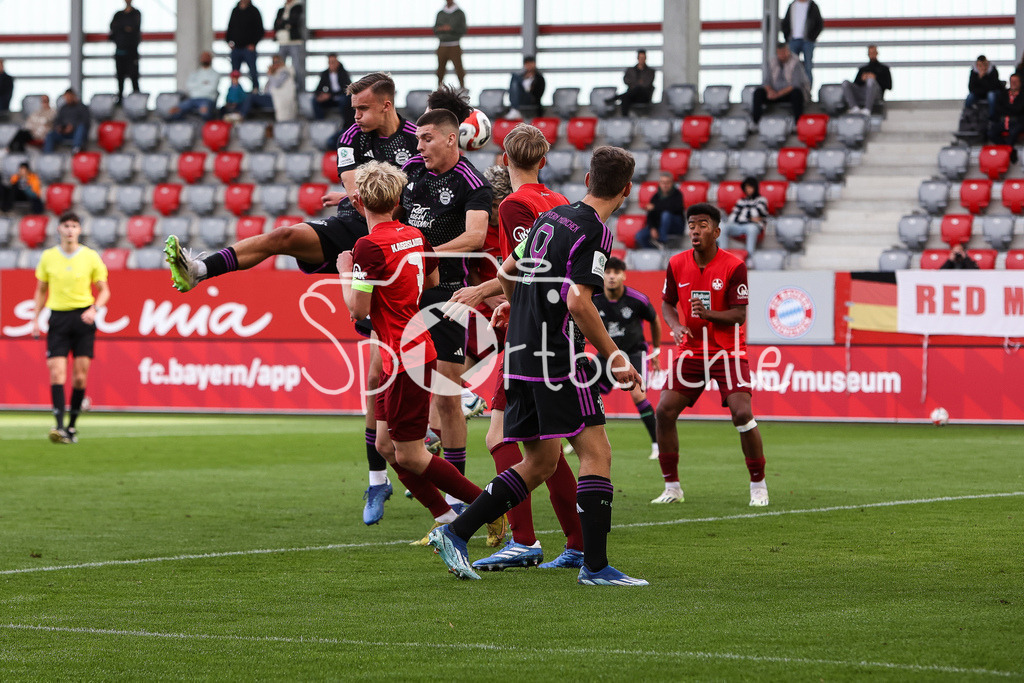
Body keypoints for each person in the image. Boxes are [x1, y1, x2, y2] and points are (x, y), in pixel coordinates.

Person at [165, 73, 421, 528]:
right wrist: (351, 197)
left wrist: (357, 198)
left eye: (362, 109)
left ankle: (421, 470)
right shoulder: (351, 138)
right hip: (357, 231)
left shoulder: (417, 139)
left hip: (401, 243)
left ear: (385, 105)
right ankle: (201, 269)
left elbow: (403, 194)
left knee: (379, 377)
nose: (355, 117)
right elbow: (360, 194)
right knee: (284, 234)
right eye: (354, 109)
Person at [427, 145, 648, 586]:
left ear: (587, 180)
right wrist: (616, 356)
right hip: (557, 358)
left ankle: (455, 532)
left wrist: (514, 306)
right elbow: (577, 301)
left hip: (520, 356)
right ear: (626, 190)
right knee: (596, 453)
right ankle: (596, 566)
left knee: (541, 462)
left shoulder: (552, 217)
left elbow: (509, 271)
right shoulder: (596, 234)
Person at [337, 160, 506, 546]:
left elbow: (358, 311)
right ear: (398, 200)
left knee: (410, 455)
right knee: (385, 446)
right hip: (410, 345)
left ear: (359, 201)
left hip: (402, 356)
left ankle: (489, 508)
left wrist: (346, 271)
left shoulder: (366, 246)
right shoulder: (413, 235)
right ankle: (445, 516)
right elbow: (430, 279)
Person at [444, 123, 586, 571]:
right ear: (544, 161)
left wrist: (487, 292)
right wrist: (508, 297)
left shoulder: (511, 204)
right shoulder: (561, 201)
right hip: (555, 326)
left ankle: (524, 540)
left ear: (505, 160)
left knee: (504, 438)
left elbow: (525, 262)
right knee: (546, 448)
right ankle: (576, 543)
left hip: (534, 333)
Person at [400, 108, 493, 525]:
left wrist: (425, 256)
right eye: (417, 140)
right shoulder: (410, 171)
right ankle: (407, 459)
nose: (418, 147)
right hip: (403, 292)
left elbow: (475, 237)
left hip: (446, 296)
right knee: (391, 382)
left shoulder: (473, 183)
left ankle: (456, 497)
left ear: (452, 139)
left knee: (448, 397)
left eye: (426, 139)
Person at [652, 203, 769, 508]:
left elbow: (739, 315)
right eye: (692, 224)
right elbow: (667, 303)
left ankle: (758, 484)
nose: (695, 230)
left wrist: (708, 314)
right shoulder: (676, 263)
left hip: (726, 352)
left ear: (716, 231)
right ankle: (672, 487)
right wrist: (675, 325)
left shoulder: (734, 266)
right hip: (691, 351)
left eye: (703, 225)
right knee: (663, 412)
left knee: (742, 414)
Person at [30, 212, 110, 445]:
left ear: (79, 230)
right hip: (58, 318)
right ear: (59, 229)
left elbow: (105, 290)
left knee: (79, 378)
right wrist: (35, 319)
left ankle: (72, 426)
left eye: (74, 225)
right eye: (66, 225)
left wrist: (95, 308)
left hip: (83, 318)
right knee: (56, 372)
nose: (70, 229)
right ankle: (58, 425)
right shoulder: (48, 257)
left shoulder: (90, 257)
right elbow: (41, 290)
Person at [591, 257, 662, 460]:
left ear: (624, 275)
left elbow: (655, 320)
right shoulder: (594, 299)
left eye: (616, 272)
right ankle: (583, 438)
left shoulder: (637, 299)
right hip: (608, 353)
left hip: (633, 353)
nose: (611, 276)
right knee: (584, 391)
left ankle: (657, 444)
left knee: (638, 395)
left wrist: (656, 350)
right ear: (602, 275)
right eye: (608, 272)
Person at [752, 43, 809, 124]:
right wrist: (770, 91)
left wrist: (778, 94)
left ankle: (798, 123)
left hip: (788, 94)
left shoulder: (796, 63)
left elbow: (795, 84)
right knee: (758, 92)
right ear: (777, 53)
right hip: (774, 93)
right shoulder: (772, 62)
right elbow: (766, 81)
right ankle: (756, 122)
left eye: (784, 52)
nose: (783, 55)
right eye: (780, 53)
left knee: (797, 93)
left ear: (788, 51)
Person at [717, 176, 768, 255]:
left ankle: (750, 256)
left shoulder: (762, 200)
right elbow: (733, 216)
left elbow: (756, 213)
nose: (748, 190)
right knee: (721, 226)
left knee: (752, 229)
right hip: (739, 226)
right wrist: (750, 217)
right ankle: (722, 255)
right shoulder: (741, 201)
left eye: (750, 187)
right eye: (746, 188)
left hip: (753, 226)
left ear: (755, 187)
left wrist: (742, 215)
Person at [237, 54, 296, 121]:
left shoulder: (284, 72)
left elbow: (277, 84)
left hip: (276, 100)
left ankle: (241, 116)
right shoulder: (275, 74)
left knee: (252, 97)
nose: (275, 64)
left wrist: (270, 74)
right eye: (274, 62)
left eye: (277, 62)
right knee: (248, 98)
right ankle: (240, 114)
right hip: (270, 98)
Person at [636, 171, 684, 248]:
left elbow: (674, 208)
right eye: (662, 182)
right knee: (640, 236)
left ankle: (661, 239)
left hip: (675, 226)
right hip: (659, 226)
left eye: (667, 182)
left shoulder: (677, 194)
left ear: (672, 183)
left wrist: (655, 207)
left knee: (666, 214)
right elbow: (650, 215)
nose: (665, 185)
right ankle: (654, 254)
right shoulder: (655, 196)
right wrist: (652, 228)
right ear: (659, 183)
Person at [780, 0, 823, 86]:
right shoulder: (792, 5)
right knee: (791, 67)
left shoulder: (813, 6)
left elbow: (819, 23)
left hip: (808, 41)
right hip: (793, 40)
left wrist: (812, 37)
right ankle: (792, 90)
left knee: (808, 67)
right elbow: (785, 23)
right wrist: (787, 36)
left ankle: (807, 91)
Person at [168, 51, 220, 122]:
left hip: (207, 99)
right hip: (192, 99)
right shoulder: (195, 73)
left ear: (210, 59)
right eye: (203, 57)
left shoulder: (215, 74)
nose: (204, 59)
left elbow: (212, 88)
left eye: (207, 57)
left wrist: (197, 85)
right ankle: (185, 128)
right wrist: (204, 84)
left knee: (205, 112)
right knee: (174, 111)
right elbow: (189, 86)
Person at [225, 0, 264, 93]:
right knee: (234, 72)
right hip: (236, 47)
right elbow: (230, 27)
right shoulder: (235, 10)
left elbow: (260, 30)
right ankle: (234, 93)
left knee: (253, 71)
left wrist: (254, 43)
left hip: (248, 48)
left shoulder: (254, 11)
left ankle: (255, 90)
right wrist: (229, 41)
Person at [842, 44, 892, 116]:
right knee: (845, 82)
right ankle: (854, 107)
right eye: (870, 53)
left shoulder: (884, 69)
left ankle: (867, 109)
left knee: (870, 81)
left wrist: (875, 78)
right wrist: (862, 79)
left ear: (877, 53)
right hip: (862, 93)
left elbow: (889, 86)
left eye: (873, 52)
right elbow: (855, 84)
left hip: (877, 95)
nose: (872, 55)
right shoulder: (863, 69)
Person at [605, 50, 656, 116]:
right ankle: (625, 118)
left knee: (638, 89)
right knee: (626, 97)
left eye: (643, 58)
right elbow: (626, 80)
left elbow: (646, 84)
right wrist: (639, 82)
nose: (642, 60)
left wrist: (634, 83)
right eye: (640, 58)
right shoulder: (631, 70)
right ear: (637, 58)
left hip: (643, 97)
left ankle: (616, 98)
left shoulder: (650, 71)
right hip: (632, 96)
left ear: (646, 58)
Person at [109, 0, 141, 105]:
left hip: (131, 52)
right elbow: (112, 27)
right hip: (120, 51)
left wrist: (121, 28)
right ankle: (120, 98)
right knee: (120, 76)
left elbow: (134, 28)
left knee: (134, 75)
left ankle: (136, 98)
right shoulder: (118, 14)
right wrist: (125, 28)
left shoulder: (136, 13)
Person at [988, 73, 1024, 160]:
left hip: (1017, 122)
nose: (1013, 83)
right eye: (1012, 81)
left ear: (1020, 83)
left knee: (1013, 133)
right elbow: (998, 108)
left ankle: (1006, 154)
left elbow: (1019, 109)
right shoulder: (1003, 94)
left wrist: (1007, 108)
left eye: (1016, 81)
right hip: (1003, 122)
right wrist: (1012, 109)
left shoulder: (1022, 95)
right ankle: (1010, 151)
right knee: (991, 133)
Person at [43, 89, 91, 153]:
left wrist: (72, 126)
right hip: (64, 132)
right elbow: (57, 120)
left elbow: (86, 121)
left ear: (74, 96)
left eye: (69, 97)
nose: (68, 99)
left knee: (81, 127)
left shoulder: (82, 107)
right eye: (66, 97)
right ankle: (47, 154)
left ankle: (76, 149)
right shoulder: (63, 108)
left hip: (76, 132)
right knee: (50, 134)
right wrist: (58, 127)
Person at [312, 53, 353, 127]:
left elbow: (347, 89)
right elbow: (318, 88)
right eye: (330, 62)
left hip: (341, 97)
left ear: (337, 62)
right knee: (315, 100)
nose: (331, 64)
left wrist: (330, 95)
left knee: (344, 100)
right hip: (330, 99)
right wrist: (321, 95)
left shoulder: (343, 73)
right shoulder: (325, 74)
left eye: (333, 62)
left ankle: (346, 123)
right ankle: (320, 123)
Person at [434, 0, 467, 90]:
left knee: (459, 68)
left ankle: (462, 87)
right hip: (442, 45)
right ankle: (439, 88)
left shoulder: (459, 13)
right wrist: (444, 30)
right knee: (440, 69)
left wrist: (450, 29)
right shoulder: (440, 13)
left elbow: (462, 29)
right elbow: (435, 29)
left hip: (454, 44)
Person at [274, 0, 305, 89]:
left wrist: (283, 23)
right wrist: (287, 24)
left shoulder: (297, 7)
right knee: (279, 67)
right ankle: (282, 87)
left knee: (296, 68)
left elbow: (294, 21)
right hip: (282, 41)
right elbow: (275, 25)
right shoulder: (281, 9)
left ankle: (299, 90)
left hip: (294, 42)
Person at [507, 55, 545, 120]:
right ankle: (515, 108)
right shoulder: (521, 77)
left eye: (531, 63)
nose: (529, 65)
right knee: (514, 79)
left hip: (531, 99)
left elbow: (539, 93)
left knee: (515, 79)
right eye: (527, 64)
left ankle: (515, 108)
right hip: (520, 98)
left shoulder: (539, 78)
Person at [966, 55, 1002, 121]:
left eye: (984, 65)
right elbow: (971, 88)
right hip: (979, 94)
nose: (983, 68)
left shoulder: (993, 71)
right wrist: (980, 79)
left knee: (991, 95)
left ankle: (992, 117)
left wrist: (983, 78)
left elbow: (993, 87)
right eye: (980, 65)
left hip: (991, 93)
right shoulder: (974, 73)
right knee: (970, 97)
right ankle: (968, 115)